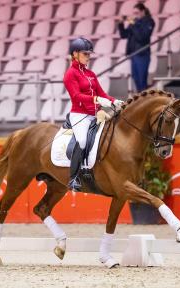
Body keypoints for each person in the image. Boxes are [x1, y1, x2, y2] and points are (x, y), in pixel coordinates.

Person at [63, 37, 123, 191]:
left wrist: (114, 101)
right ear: (75, 54)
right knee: (82, 141)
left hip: (95, 113)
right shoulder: (70, 74)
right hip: (79, 115)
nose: (88, 57)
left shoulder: (90, 74)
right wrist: (96, 99)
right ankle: (74, 178)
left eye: (89, 54)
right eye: (85, 54)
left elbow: (102, 93)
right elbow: (76, 96)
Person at [118, 2, 155, 92]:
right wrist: (121, 24)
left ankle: (145, 102)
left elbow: (142, 37)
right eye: (134, 13)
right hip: (133, 54)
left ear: (143, 12)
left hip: (142, 54)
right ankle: (141, 101)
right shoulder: (134, 22)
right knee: (136, 79)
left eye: (137, 13)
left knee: (142, 81)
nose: (135, 15)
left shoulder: (149, 21)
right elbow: (124, 35)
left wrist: (133, 23)